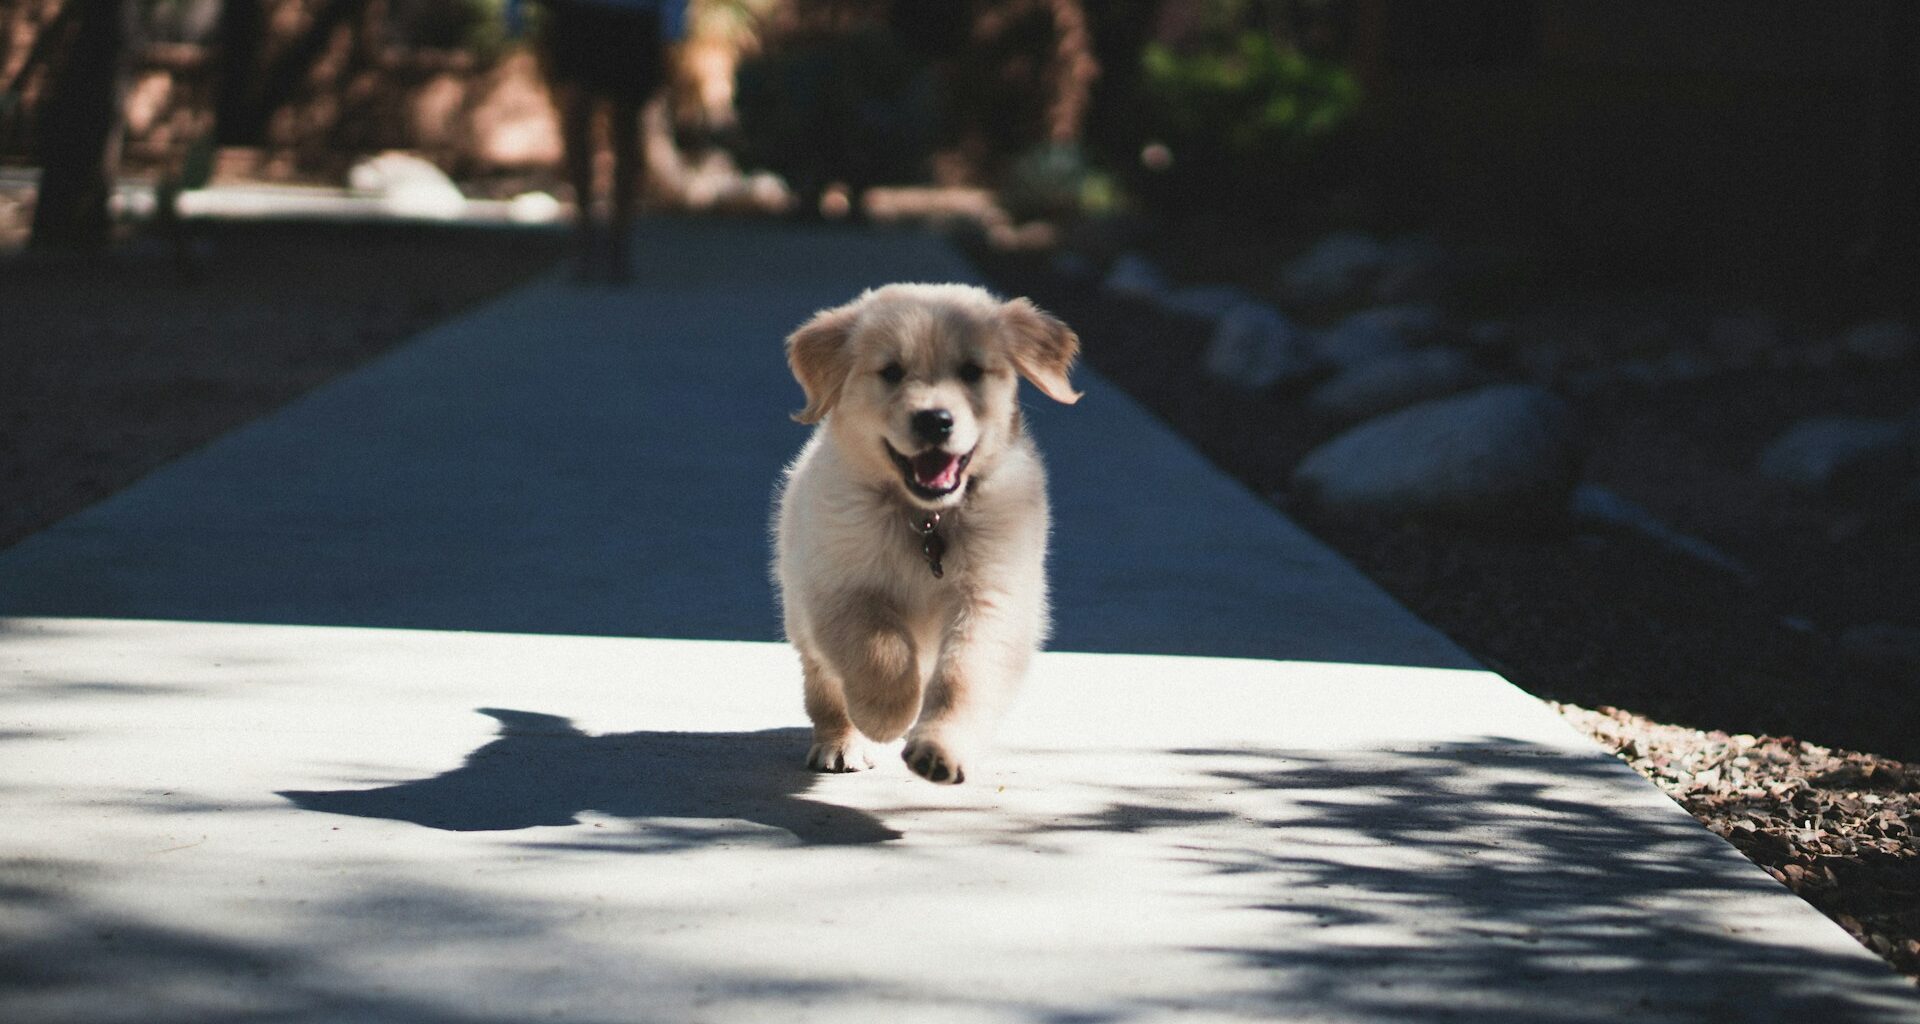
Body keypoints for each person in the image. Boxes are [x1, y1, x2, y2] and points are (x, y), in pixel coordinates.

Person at [516, 0, 686, 283]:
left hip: (633, 18)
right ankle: (584, 229)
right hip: (577, 16)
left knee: (626, 128)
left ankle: (619, 237)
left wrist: (673, 27)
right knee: (576, 118)